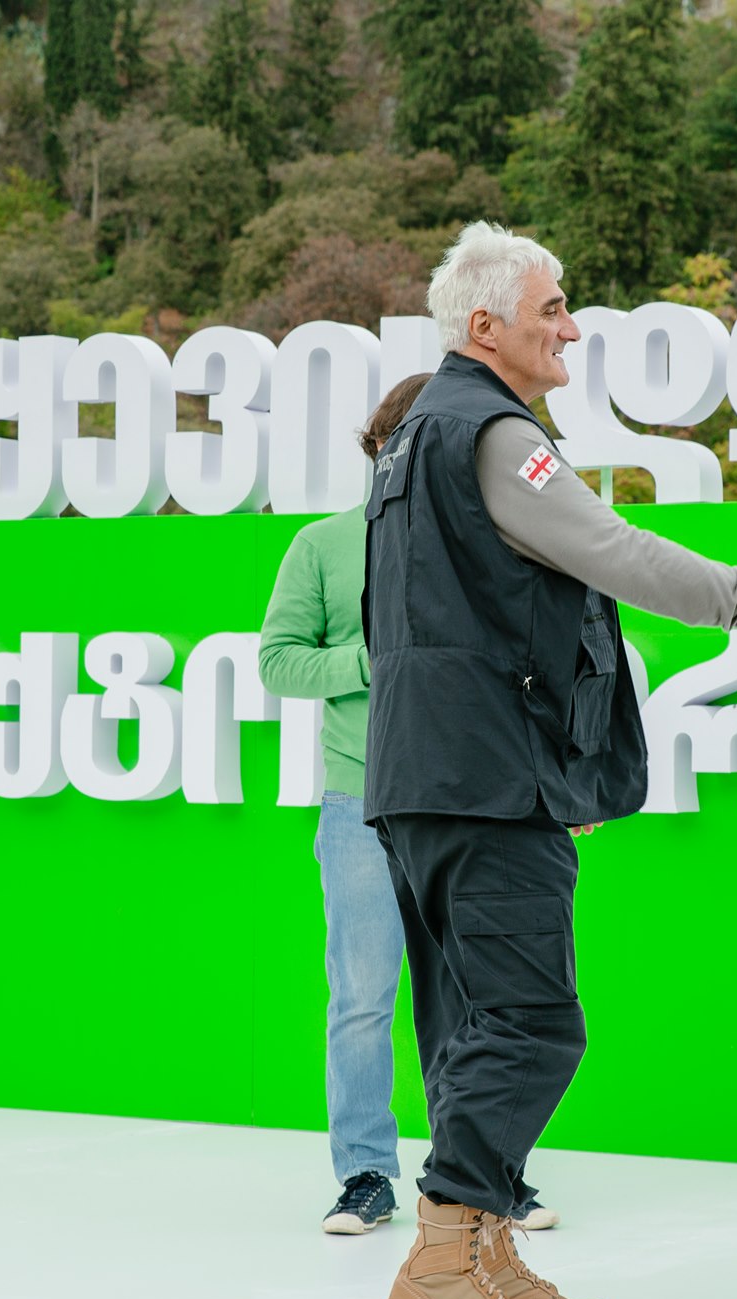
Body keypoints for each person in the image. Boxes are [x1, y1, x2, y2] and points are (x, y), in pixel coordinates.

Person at [361, 221, 737, 1299]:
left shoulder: (414, 443)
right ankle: (440, 1263)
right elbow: (617, 554)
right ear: (482, 326)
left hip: (431, 778)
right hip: (483, 783)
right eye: (551, 308)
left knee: (474, 1024)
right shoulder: (492, 434)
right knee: (530, 1024)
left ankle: (484, 1253)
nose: (572, 327)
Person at [258, 373, 561, 1237]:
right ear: (387, 449)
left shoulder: (491, 541)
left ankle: (479, 1177)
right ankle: (364, 1175)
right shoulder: (323, 544)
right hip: (360, 799)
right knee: (362, 996)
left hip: (466, 798)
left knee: (474, 998)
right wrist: (378, 659)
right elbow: (278, 661)